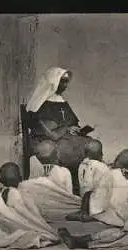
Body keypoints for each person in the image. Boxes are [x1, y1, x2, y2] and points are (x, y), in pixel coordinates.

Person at [24, 66, 93, 195]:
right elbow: (47, 131)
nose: (65, 85)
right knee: (67, 149)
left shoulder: (61, 101)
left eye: (66, 81)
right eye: (63, 81)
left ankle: (79, 187)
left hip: (63, 137)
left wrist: (76, 129)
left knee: (90, 143)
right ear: (53, 81)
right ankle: (67, 188)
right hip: (45, 139)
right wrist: (67, 129)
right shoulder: (40, 103)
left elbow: (71, 122)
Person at [58, 173, 128, 250]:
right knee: (112, 233)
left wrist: (120, 230)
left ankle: (79, 242)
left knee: (112, 236)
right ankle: (79, 240)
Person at [0, 162, 60, 249]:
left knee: (29, 233)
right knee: (32, 234)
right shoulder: (12, 192)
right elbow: (23, 214)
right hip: (12, 227)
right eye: (11, 177)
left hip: (6, 229)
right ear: (20, 178)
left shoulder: (6, 192)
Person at [87, 149, 128, 227]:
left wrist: (92, 212)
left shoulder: (110, 174)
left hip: (111, 216)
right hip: (126, 218)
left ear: (117, 160)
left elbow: (99, 198)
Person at [65, 139, 110, 222]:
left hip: (90, 204)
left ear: (85, 154)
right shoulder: (102, 166)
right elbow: (88, 189)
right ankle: (88, 214)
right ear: (100, 154)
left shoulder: (83, 165)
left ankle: (85, 213)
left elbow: (86, 189)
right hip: (101, 205)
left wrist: (83, 210)